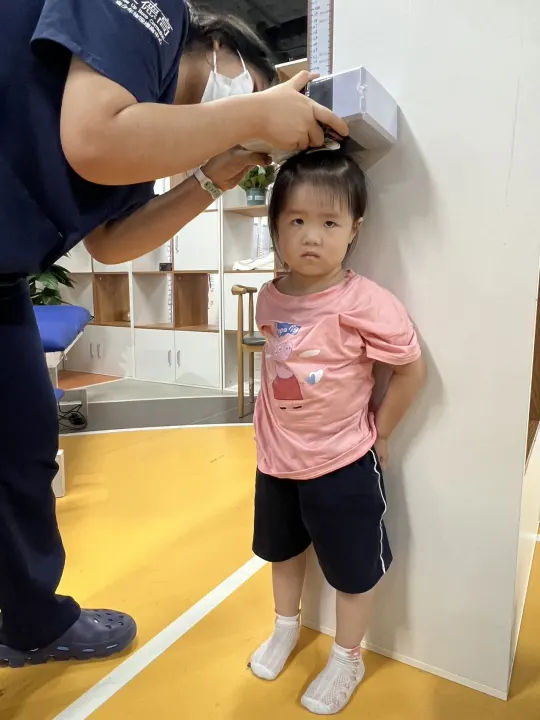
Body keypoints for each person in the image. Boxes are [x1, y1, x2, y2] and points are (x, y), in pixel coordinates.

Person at [0, 0, 349, 668]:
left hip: (5, 276)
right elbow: (94, 141)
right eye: (246, 88)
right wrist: (254, 114)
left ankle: (32, 622)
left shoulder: (147, 126)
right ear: (217, 45)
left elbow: (111, 242)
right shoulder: (151, 13)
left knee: (22, 451)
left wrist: (216, 172)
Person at [248, 150, 426, 714]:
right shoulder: (269, 296)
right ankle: (285, 627)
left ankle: (348, 656)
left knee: (352, 570)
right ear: (276, 226)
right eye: (297, 220)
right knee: (281, 551)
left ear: (355, 229)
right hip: (275, 458)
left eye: (329, 222)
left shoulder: (367, 302)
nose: (311, 236)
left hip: (341, 461)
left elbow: (411, 370)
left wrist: (381, 433)